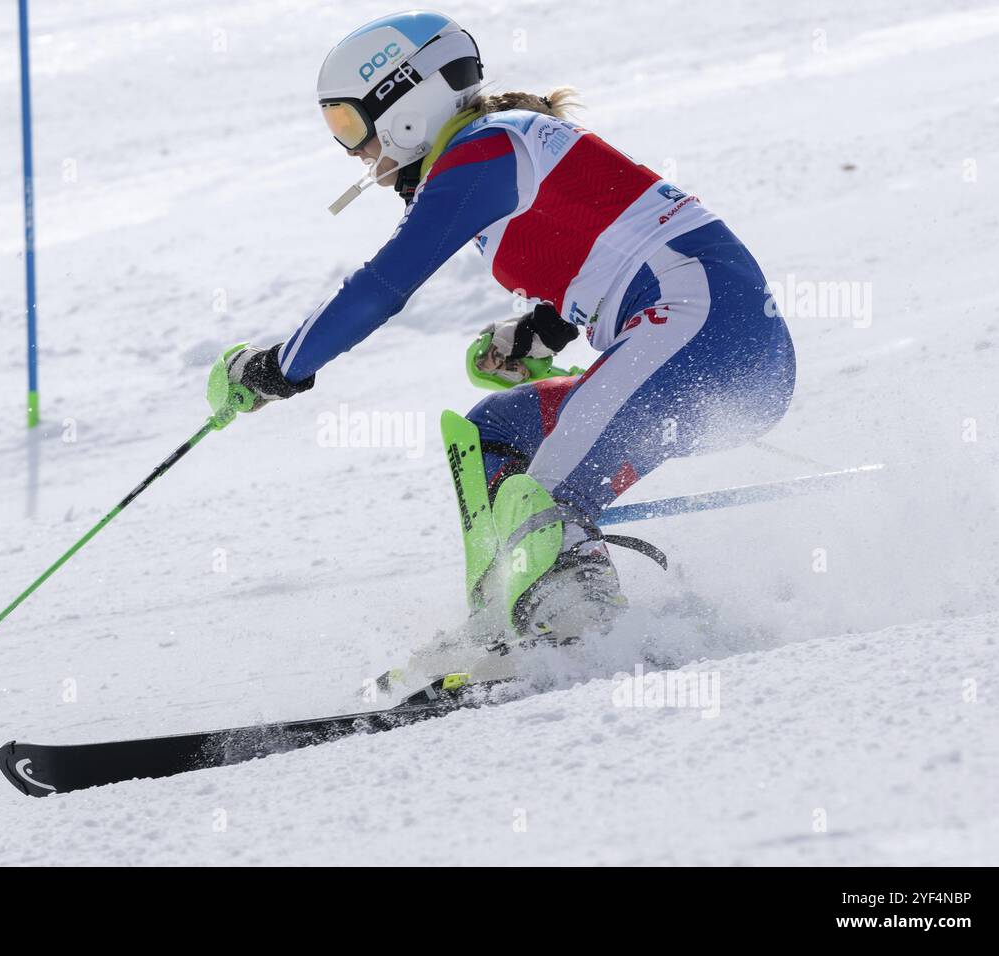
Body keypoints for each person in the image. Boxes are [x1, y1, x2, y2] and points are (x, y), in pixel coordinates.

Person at [210, 10, 795, 642]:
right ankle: (512, 618)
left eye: (351, 124)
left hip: (708, 337)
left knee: (541, 507)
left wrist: (277, 368)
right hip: (693, 346)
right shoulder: (501, 151)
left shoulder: (487, 149)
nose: (354, 151)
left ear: (406, 104)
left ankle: (583, 631)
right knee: (493, 436)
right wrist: (542, 331)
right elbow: (611, 249)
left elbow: (383, 285)